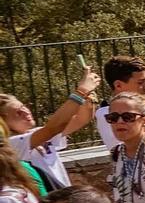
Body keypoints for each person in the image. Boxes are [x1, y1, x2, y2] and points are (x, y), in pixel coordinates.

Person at [3, 62, 95, 191]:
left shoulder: (37, 133)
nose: (26, 112)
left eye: (23, 106)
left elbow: (81, 119)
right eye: (17, 112)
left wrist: (89, 98)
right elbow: (53, 127)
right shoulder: (11, 145)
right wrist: (81, 91)